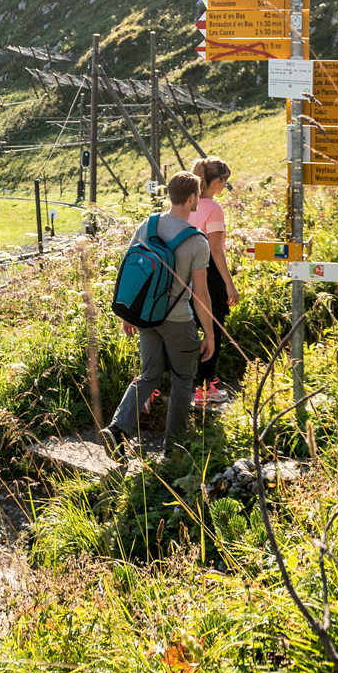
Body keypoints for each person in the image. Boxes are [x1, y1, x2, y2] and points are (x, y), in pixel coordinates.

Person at [101, 171, 215, 459]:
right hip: (178, 320)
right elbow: (201, 294)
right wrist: (210, 335)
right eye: (197, 197)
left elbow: (132, 272)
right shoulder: (196, 241)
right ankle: (173, 449)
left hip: (147, 316)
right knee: (182, 379)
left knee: (149, 374)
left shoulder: (148, 224)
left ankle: (117, 430)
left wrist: (130, 313)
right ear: (191, 198)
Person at [189, 157, 238, 407]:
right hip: (209, 275)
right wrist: (230, 284)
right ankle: (205, 388)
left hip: (185, 273)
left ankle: (157, 388)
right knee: (212, 330)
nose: (224, 187)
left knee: (187, 330)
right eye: (224, 182)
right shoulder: (214, 208)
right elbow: (216, 250)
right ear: (216, 181)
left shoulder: (188, 204)